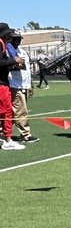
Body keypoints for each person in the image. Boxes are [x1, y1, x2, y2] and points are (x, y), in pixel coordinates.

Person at [0, 23, 25, 151]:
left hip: (3, 82)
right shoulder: (0, 44)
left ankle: (6, 137)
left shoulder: (3, 45)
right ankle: (8, 139)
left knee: (4, 111)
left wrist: (13, 65)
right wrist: (15, 60)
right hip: (1, 84)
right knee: (6, 111)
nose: (10, 35)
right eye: (8, 32)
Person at [8, 31, 37, 142]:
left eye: (19, 38)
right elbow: (7, 67)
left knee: (12, 111)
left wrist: (30, 85)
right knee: (21, 111)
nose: (17, 41)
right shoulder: (8, 52)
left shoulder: (23, 51)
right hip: (14, 85)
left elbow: (28, 70)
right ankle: (26, 134)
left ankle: (3, 131)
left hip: (24, 85)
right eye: (15, 38)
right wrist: (16, 65)